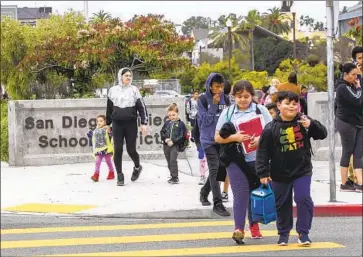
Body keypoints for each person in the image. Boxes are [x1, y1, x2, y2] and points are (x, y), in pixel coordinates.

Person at [256, 91, 327, 246]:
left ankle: (303, 233)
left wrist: (312, 125)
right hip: (279, 173)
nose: (292, 107)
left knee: (304, 198)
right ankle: (283, 233)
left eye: (295, 104)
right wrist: (263, 172)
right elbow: (262, 152)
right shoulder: (270, 128)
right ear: (279, 106)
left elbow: (323, 134)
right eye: (287, 103)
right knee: (281, 204)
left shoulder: (304, 121)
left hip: (302, 170)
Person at [215, 80, 272, 244]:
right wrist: (236, 138)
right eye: (239, 96)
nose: (243, 100)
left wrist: (260, 140)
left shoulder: (261, 110)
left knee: (255, 193)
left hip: (258, 159)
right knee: (240, 194)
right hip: (236, 159)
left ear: (252, 96)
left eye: (246, 96)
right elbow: (217, 137)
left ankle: (254, 225)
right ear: (233, 97)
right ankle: (239, 229)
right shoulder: (228, 113)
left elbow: (272, 132)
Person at [106, 67, 148, 186]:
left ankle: (137, 167)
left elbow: (142, 107)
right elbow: (109, 108)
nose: (128, 77)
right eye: (126, 75)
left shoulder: (134, 90)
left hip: (130, 124)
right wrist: (108, 124)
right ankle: (119, 174)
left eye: (130, 76)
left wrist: (144, 123)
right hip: (117, 124)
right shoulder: (112, 90)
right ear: (121, 77)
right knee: (117, 149)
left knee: (131, 150)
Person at [198, 73, 231, 217]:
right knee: (214, 167)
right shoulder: (203, 99)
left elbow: (230, 118)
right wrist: (213, 106)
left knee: (221, 169)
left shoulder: (227, 99)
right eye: (217, 86)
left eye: (222, 87)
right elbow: (204, 121)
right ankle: (217, 203)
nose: (219, 90)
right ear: (210, 86)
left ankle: (204, 192)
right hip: (208, 140)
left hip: (222, 140)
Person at [335, 63, 363, 192]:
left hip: (358, 122)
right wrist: (359, 88)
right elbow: (357, 100)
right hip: (346, 123)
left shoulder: (352, 85)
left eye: (357, 74)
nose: (355, 77)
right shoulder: (342, 87)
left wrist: (358, 84)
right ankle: (344, 183)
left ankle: (360, 183)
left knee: (358, 153)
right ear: (345, 74)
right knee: (347, 152)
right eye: (353, 75)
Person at [160, 103, 188, 184]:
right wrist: (165, 139)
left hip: (175, 146)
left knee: (173, 160)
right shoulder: (167, 123)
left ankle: (175, 177)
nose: (171, 117)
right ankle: (172, 175)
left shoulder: (181, 124)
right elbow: (162, 132)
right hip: (166, 145)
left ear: (177, 114)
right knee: (169, 161)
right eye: (169, 115)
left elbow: (183, 135)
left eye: (173, 115)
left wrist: (174, 141)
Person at [87, 115, 115, 182]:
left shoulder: (107, 129)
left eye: (101, 121)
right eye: (97, 121)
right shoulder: (96, 130)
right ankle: (96, 175)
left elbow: (111, 136)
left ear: (105, 122)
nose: (99, 123)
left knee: (108, 162)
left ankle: (111, 172)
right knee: (97, 162)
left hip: (106, 150)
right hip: (99, 150)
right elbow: (93, 139)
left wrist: (109, 131)